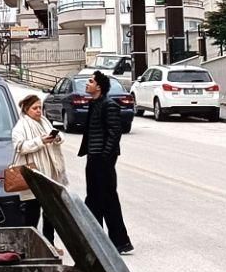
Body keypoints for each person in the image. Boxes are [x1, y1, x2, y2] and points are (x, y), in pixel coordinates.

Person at [78, 71, 134, 254]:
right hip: (93, 157)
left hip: (103, 159)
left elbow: (114, 132)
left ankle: (120, 241)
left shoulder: (109, 105)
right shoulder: (94, 104)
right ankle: (96, 239)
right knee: (93, 199)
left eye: (90, 81)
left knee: (108, 199)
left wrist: (105, 156)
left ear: (99, 87)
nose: (87, 84)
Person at [12, 93, 67, 242]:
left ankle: (49, 244)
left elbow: (60, 136)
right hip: (33, 175)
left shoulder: (45, 122)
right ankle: (30, 244)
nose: (38, 111)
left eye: (40, 107)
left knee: (50, 213)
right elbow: (20, 147)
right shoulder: (21, 126)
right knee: (32, 212)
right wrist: (40, 141)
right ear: (26, 109)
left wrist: (55, 137)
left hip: (49, 174)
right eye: (34, 108)